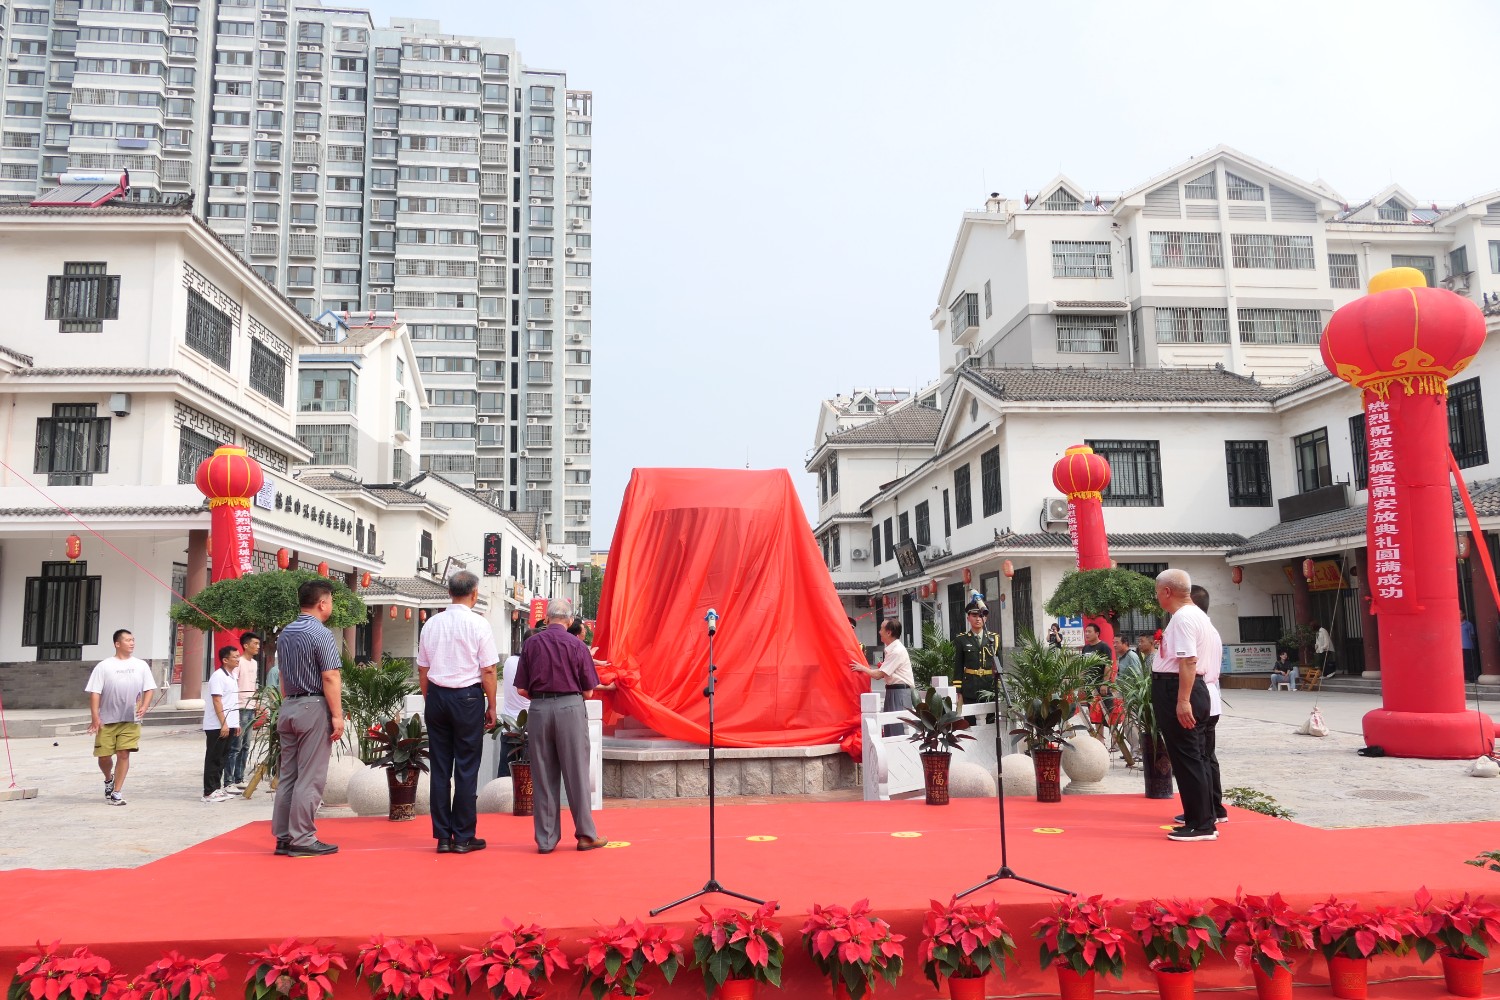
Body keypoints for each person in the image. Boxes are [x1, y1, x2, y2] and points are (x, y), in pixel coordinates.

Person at [514, 598, 607, 854]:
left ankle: (546, 839)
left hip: (539, 709)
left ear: (547, 619)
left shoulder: (531, 643)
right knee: (577, 773)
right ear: (569, 620)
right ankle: (585, 835)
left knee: (543, 775)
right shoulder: (577, 645)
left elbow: (521, 688)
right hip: (570, 708)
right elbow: (588, 691)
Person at [417, 571, 499, 855]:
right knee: (466, 767)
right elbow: (489, 669)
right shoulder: (479, 624)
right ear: (474, 593)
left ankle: (442, 837)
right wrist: (492, 705)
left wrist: (431, 699)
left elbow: (423, 669)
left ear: (450, 592)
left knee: (440, 768)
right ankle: (463, 836)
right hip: (467, 698)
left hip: (437, 696)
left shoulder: (431, 623)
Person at [271, 578, 344, 857]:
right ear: (322, 603)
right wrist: (337, 715)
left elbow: (282, 675)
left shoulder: (285, 633)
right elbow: (330, 675)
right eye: (331, 601)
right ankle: (302, 838)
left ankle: (284, 837)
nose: (331, 606)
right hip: (312, 705)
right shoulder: (321, 633)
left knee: (289, 775)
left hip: (288, 705)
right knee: (310, 776)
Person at [1152, 569, 1221, 842]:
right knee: (1193, 756)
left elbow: (1188, 661)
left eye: (1157, 592)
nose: (1157, 597)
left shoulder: (1183, 617)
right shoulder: (1198, 616)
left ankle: (1201, 823)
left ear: (1167, 591)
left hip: (1179, 689)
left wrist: (1182, 700)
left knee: (1187, 756)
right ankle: (1202, 818)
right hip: (1189, 688)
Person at [84, 629, 157, 807]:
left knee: (123, 753)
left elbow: (149, 689)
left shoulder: (141, 665)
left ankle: (117, 792)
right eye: (127, 640)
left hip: (131, 719)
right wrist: (95, 717)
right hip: (107, 719)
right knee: (104, 756)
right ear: (117, 644)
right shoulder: (104, 666)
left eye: (133, 640)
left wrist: (145, 706)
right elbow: (95, 692)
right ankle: (108, 778)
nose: (132, 643)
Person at [1186, 584, 1227, 827]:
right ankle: (1214, 807)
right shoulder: (1210, 630)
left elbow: (1190, 664)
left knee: (1200, 757)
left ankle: (1206, 811)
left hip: (1200, 694)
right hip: (1210, 696)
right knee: (1207, 756)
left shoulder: (1198, 630)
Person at [850, 618, 914, 737]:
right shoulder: (892, 649)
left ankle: (897, 749)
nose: (879, 632)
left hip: (899, 692)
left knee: (896, 728)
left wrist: (862, 668)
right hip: (893, 691)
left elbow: (878, 675)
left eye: (881, 629)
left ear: (888, 632)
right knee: (890, 726)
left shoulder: (896, 651)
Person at [223, 631, 261, 793]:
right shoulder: (239, 663)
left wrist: (256, 702)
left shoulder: (254, 663)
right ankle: (228, 780)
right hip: (239, 707)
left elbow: (253, 685)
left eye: (258, 644)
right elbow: (233, 685)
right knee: (235, 746)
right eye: (255, 644)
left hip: (251, 707)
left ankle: (239, 778)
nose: (258, 647)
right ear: (246, 645)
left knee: (246, 745)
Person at [202, 646, 241, 803]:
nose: (238, 659)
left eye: (238, 656)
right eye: (235, 657)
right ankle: (209, 791)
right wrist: (223, 723)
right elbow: (217, 700)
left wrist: (235, 723)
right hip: (216, 725)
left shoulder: (232, 676)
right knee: (214, 758)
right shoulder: (218, 676)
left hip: (228, 723)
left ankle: (217, 788)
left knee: (223, 758)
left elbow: (232, 701)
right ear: (225, 660)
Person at [951, 597, 1000, 706]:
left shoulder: (994, 638)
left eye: (981, 616)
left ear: (985, 618)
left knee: (991, 716)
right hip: (970, 688)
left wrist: (998, 686)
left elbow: (999, 665)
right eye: (974, 616)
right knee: (971, 716)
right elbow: (958, 666)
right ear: (968, 618)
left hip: (989, 688)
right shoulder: (961, 639)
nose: (978, 619)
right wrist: (958, 690)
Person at [497, 635, 531, 778]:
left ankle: (501, 792)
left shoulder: (509, 661)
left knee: (505, 772)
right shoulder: (532, 664)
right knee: (528, 775)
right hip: (528, 725)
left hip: (508, 725)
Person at [1461, 613, 1479, 683]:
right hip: (1458, 648)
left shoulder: (1468, 624)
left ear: (1463, 615)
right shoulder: (1454, 624)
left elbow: (1472, 635)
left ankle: (1471, 678)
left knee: (1469, 663)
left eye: (1460, 614)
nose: (1459, 615)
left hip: (1467, 646)